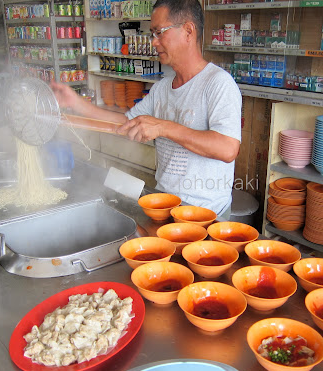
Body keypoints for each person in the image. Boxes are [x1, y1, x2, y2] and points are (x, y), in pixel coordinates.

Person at [51, 0, 242, 218]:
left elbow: (228, 149)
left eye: (159, 33)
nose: (153, 42)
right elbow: (126, 123)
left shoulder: (218, 83)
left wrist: (163, 127)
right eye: (153, 34)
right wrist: (76, 102)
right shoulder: (162, 88)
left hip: (206, 215)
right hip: (164, 203)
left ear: (188, 31)